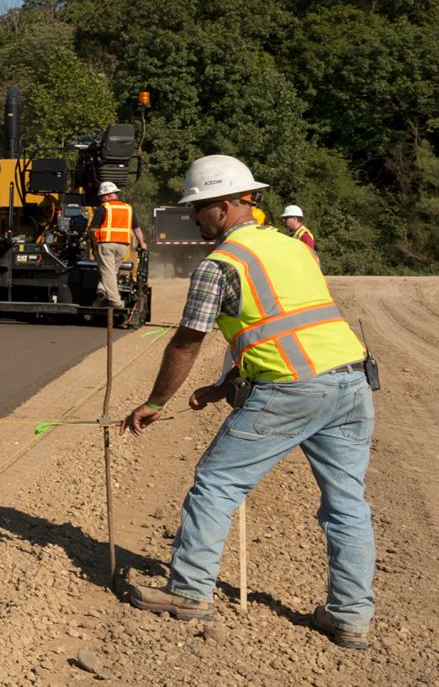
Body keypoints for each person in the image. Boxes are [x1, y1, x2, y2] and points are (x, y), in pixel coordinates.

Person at [118, 154, 376, 652]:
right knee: (347, 507)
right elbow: (287, 325)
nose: (193, 217)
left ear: (223, 206)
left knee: (216, 483)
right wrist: (224, 385)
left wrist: (154, 401)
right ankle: (350, 619)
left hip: (292, 390)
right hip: (352, 383)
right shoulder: (292, 248)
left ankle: (189, 591)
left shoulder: (220, 265)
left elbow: (186, 343)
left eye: (197, 208)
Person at [91, 181, 146, 309]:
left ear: (107, 195)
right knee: (112, 270)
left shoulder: (103, 208)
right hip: (123, 246)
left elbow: (93, 230)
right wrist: (142, 243)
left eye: (102, 196)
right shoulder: (128, 208)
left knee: (108, 272)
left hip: (106, 244)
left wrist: (94, 239)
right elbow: (137, 229)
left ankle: (115, 301)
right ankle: (101, 291)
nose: (101, 199)